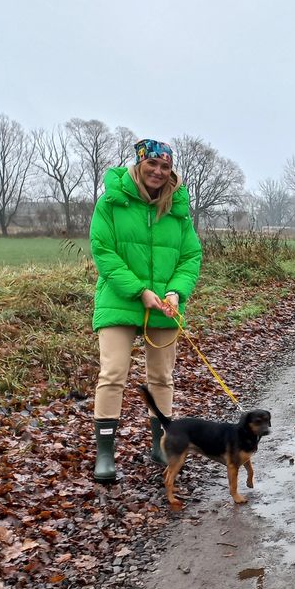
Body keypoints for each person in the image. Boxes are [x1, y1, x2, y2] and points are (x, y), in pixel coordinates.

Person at [90, 138, 202, 483]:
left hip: (164, 308)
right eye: (152, 164)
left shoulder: (178, 210)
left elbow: (190, 257)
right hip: (120, 299)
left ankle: (161, 445)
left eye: (165, 166)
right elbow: (103, 250)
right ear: (139, 165)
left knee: (162, 378)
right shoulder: (111, 202)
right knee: (113, 374)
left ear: (171, 171)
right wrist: (139, 291)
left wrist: (175, 291)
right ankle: (105, 455)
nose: (158, 171)